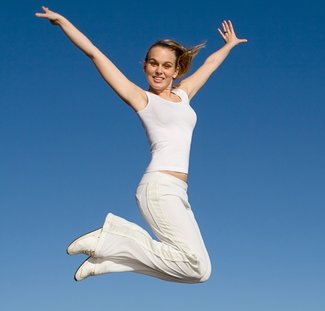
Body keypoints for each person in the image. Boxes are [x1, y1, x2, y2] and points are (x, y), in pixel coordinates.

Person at [35, 6, 247, 283]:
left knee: (200, 271)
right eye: (153, 63)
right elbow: (95, 54)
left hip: (179, 192)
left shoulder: (183, 95)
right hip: (157, 188)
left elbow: (208, 65)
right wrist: (64, 22)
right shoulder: (142, 99)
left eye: (166, 65)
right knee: (194, 268)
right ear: (145, 65)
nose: (159, 70)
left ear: (176, 70)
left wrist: (229, 46)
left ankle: (106, 261)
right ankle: (109, 237)